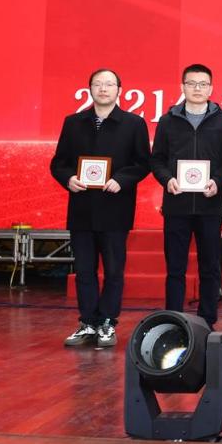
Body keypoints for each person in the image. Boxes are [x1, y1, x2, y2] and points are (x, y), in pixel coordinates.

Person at [50, 68, 150, 348]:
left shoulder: (133, 124)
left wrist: (121, 179)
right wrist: (68, 179)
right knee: (84, 270)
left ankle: (107, 321)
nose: (103, 89)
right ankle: (87, 322)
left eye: (109, 84)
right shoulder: (73, 123)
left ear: (119, 90)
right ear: (90, 89)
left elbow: (143, 163)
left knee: (114, 270)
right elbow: (59, 163)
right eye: (98, 84)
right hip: (82, 208)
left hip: (115, 208)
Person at [149, 63, 222, 329]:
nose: (197, 88)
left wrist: (218, 181)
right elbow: (157, 160)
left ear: (211, 88)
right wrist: (168, 179)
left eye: (203, 84)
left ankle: (207, 321)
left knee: (210, 266)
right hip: (177, 205)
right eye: (191, 83)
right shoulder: (168, 121)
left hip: (211, 205)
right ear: (182, 87)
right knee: (175, 267)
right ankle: (174, 320)